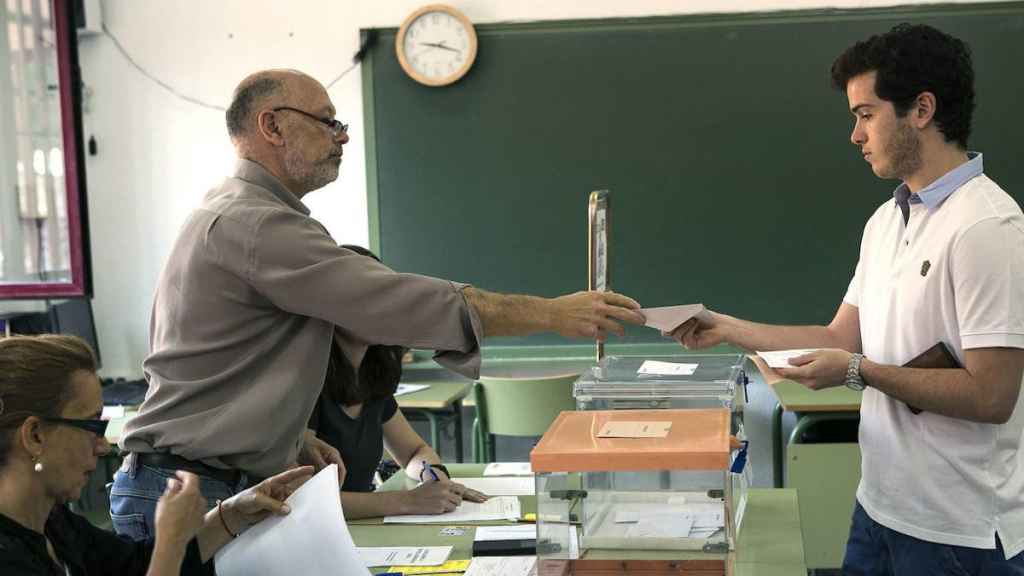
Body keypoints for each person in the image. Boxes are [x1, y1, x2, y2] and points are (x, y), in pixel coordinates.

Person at [111, 68, 645, 538]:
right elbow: (392, 300)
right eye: (326, 122)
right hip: (188, 492)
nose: (341, 136)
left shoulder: (236, 214)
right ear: (271, 126)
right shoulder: (254, 223)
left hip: (204, 482)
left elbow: (227, 366)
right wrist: (552, 314)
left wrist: (290, 438)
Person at [672, 23, 1024, 574]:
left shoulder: (988, 227)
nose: (856, 136)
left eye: (866, 114)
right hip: (878, 509)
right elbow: (839, 338)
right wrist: (724, 326)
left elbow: (992, 396)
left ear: (922, 110)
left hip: (961, 532)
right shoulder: (886, 221)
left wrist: (858, 371)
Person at [0, 334, 315, 575]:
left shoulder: (54, 523)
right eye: (91, 425)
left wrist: (233, 513)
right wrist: (170, 544)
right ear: (34, 436)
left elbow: (133, 566)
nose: (103, 445)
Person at [308, 245, 486, 519]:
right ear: (332, 308)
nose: (384, 308)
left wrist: (434, 479)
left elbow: (415, 451)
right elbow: (303, 501)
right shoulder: (305, 387)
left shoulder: (371, 377)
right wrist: (408, 501)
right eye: (368, 297)